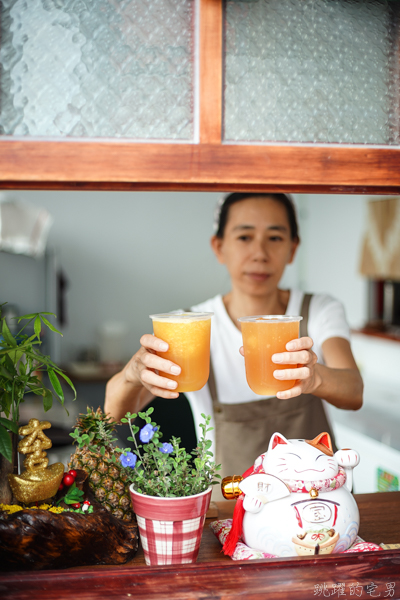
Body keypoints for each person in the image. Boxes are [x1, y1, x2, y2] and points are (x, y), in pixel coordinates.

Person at [104, 193, 363, 497]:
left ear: (293, 248)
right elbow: (112, 414)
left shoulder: (318, 310)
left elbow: (353, 391)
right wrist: (132, 375)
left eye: (275, 237)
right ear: (219, 247)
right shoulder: (188, 326)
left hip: (319, 500)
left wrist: (315, 376)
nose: (259, 253)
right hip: (233, 505)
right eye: (244, 237)